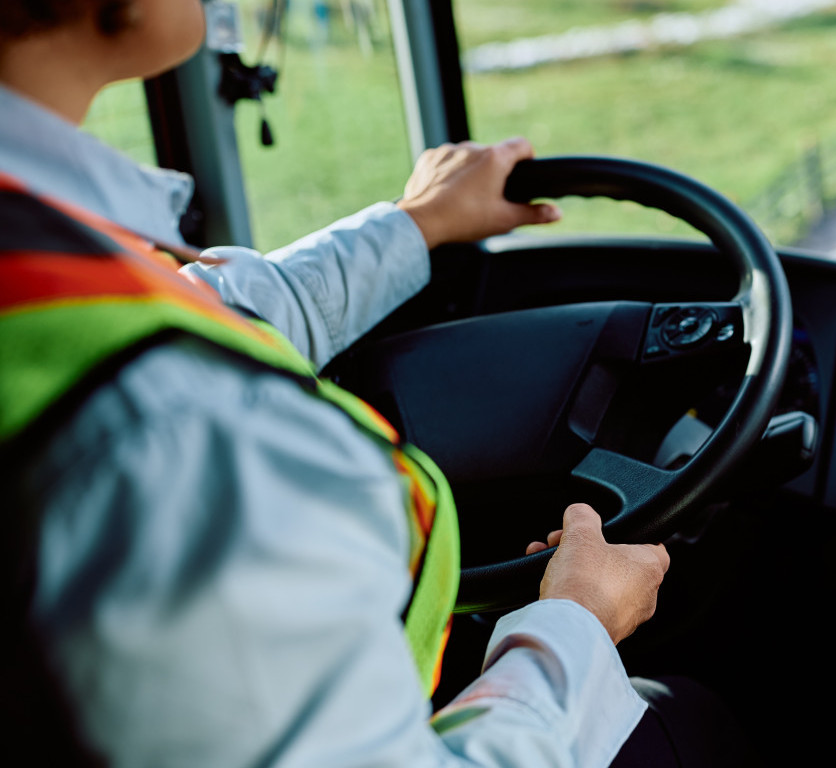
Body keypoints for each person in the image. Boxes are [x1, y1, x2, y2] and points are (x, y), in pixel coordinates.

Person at [0, 1, 694, 765]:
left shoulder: (41, 256)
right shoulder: (177, 436)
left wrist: (414, 225)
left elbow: (189, 309)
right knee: (689, 719)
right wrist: (578, 621)